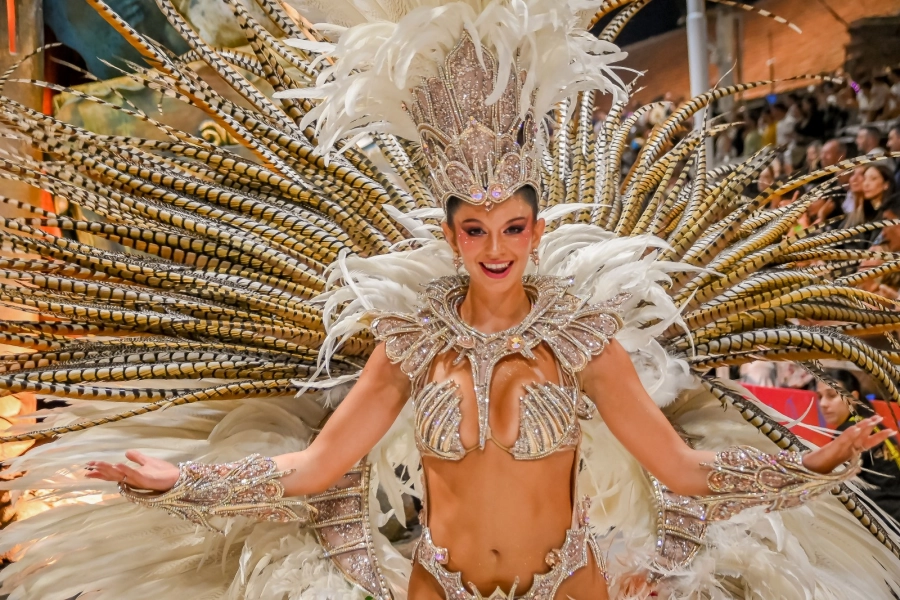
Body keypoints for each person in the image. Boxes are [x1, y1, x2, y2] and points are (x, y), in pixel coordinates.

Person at [4, 2, 900, 600]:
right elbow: (315, 467)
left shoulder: (585, 338)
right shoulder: (408, 339)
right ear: (451, 234)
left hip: (570, 584)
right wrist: (182, 480)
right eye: (476, 229)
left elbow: (683, 470)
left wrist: (807, 468)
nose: (496, 249)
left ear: (537, 229)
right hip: (437, 583)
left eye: (512, 227)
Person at [817, 370, 900, 522]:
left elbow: (832, 485)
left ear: (853, 397)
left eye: (831, 395)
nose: (823, 404)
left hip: (886, 522)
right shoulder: (871, 425)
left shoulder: (851, 431)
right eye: (819, 397)